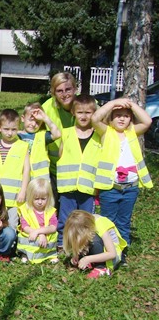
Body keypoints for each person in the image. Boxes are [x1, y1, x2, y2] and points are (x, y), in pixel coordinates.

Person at [91, 97, 153, 247]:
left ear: (130, 118)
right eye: (118, 115)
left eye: (126, 115)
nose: (121, 118)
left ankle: (122, 252)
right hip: (110, 187)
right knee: (108, 221)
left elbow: (147, 121)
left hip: (130, 188)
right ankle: (108, 250)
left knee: (124, 222)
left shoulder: (132, 132)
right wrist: (112, 103)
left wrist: (131, 104)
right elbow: (95, 119)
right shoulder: (106, 132)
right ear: (111, 118)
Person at [55, 95, 101, 248]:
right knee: (66, 218)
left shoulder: (99, 135)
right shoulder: (66, 133)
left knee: (86, 219)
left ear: (94, 113)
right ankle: (62, 245)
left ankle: (85, 245)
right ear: (73, 112)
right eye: (80, 112)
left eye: (88, 112)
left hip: (88, 187)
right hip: (68, 186)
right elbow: (61, 155)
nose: (84, 116)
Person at [41, 72, 78, 197]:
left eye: (68, 89)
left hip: (79, 172)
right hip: (53, 170)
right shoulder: (46, 108)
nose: (64, 94)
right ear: (53, 92)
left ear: (75, 89)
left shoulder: (86, 105)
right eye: (59, 91)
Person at [63, 210, 127, 278]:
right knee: (90, 243)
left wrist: (88, 259)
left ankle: (102, 268)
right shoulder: (87, 222)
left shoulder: (100, 228)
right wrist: (76, 255)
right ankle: (91, 261)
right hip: (100, 250)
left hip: (111, 258)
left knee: (95, 241)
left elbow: (112, 254)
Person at [16, 178, 58, 264]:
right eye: (36, 199)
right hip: (31, 235)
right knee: (26, 236)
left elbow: (53, 227)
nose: (39, 202)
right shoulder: (26, 210)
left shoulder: (50, 211)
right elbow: (25, 226)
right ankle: (25, 253)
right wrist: (37, 234)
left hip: (44, 236)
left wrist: (40, 232)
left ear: (48, 197)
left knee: (53, 235)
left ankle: (49, 254)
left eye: (43, 199)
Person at [18, 103, 61, 181]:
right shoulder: (16, 136)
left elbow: (57, 134)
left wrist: (45, 118)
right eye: (31, 120)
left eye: (38, 122)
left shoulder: (42, 136)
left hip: (39, 181)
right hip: (20, 178)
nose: (34, 124)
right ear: (23, 118)